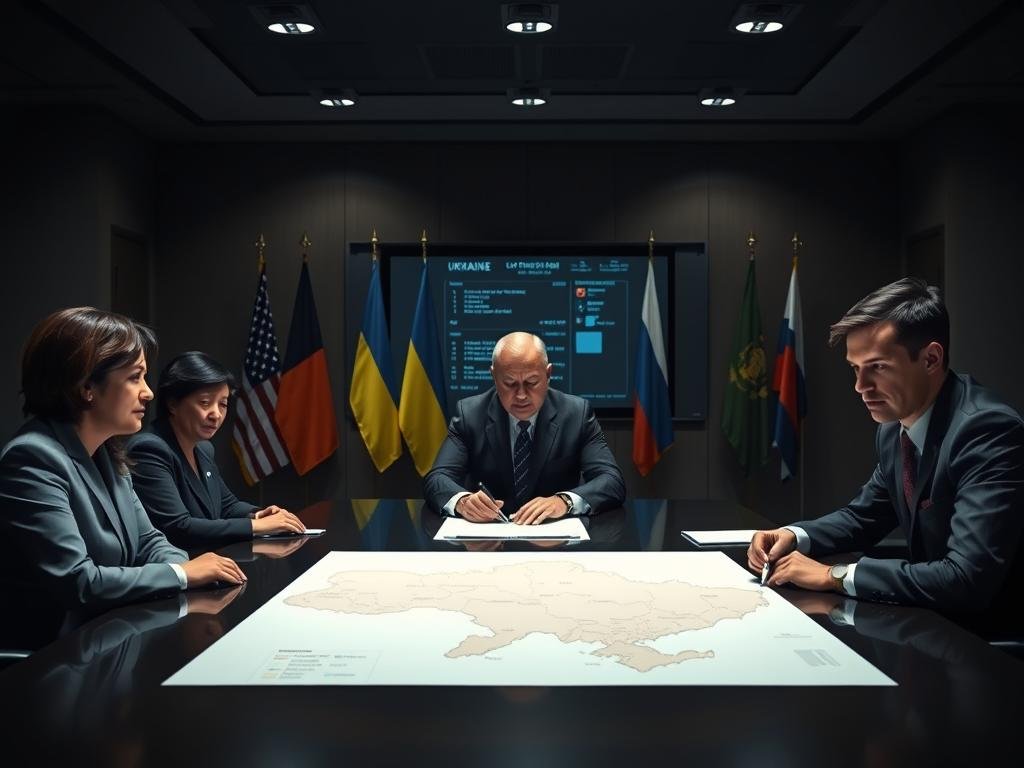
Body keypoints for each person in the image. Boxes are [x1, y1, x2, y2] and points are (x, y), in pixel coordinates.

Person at [747, 278, 1024, 627]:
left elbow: (965, 579)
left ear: (931, 359)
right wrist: (795, 535)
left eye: (877, 367)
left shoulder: (987, 430)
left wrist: (833, 575)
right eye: (855, 368)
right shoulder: (894, 429)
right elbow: (864, 518)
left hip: (989, 646)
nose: (860, 387)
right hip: (932, 624)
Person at [0, 308, 246, 651]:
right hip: (54, 661)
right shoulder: (32, 458)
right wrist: (183, 573)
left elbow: (150, 542)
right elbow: (79, 582)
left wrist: (188, 567)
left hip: (112, 643)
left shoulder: (107, 451)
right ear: (86, 386)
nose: (148, 393)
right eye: (135, 378)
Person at [424, 332, 625, 524]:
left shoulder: (576, 414)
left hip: (555, 542)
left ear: (548, 374)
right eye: (509, 383)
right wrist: (462, 502)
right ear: (494, 376)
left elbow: (612, 481)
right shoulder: (470, 414)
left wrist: (564, 502)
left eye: (532, 382)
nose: (521, 395)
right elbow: (437, 479)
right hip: (487, 543)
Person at [127, 352, 305, 549]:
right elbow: (178, 528)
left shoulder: (203, 448)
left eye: (223, 404)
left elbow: (227, 505)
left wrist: (260, 514)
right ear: (172, 404)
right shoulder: (149, 449)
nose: (216, 414)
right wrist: (256, 526)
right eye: (205, 402)